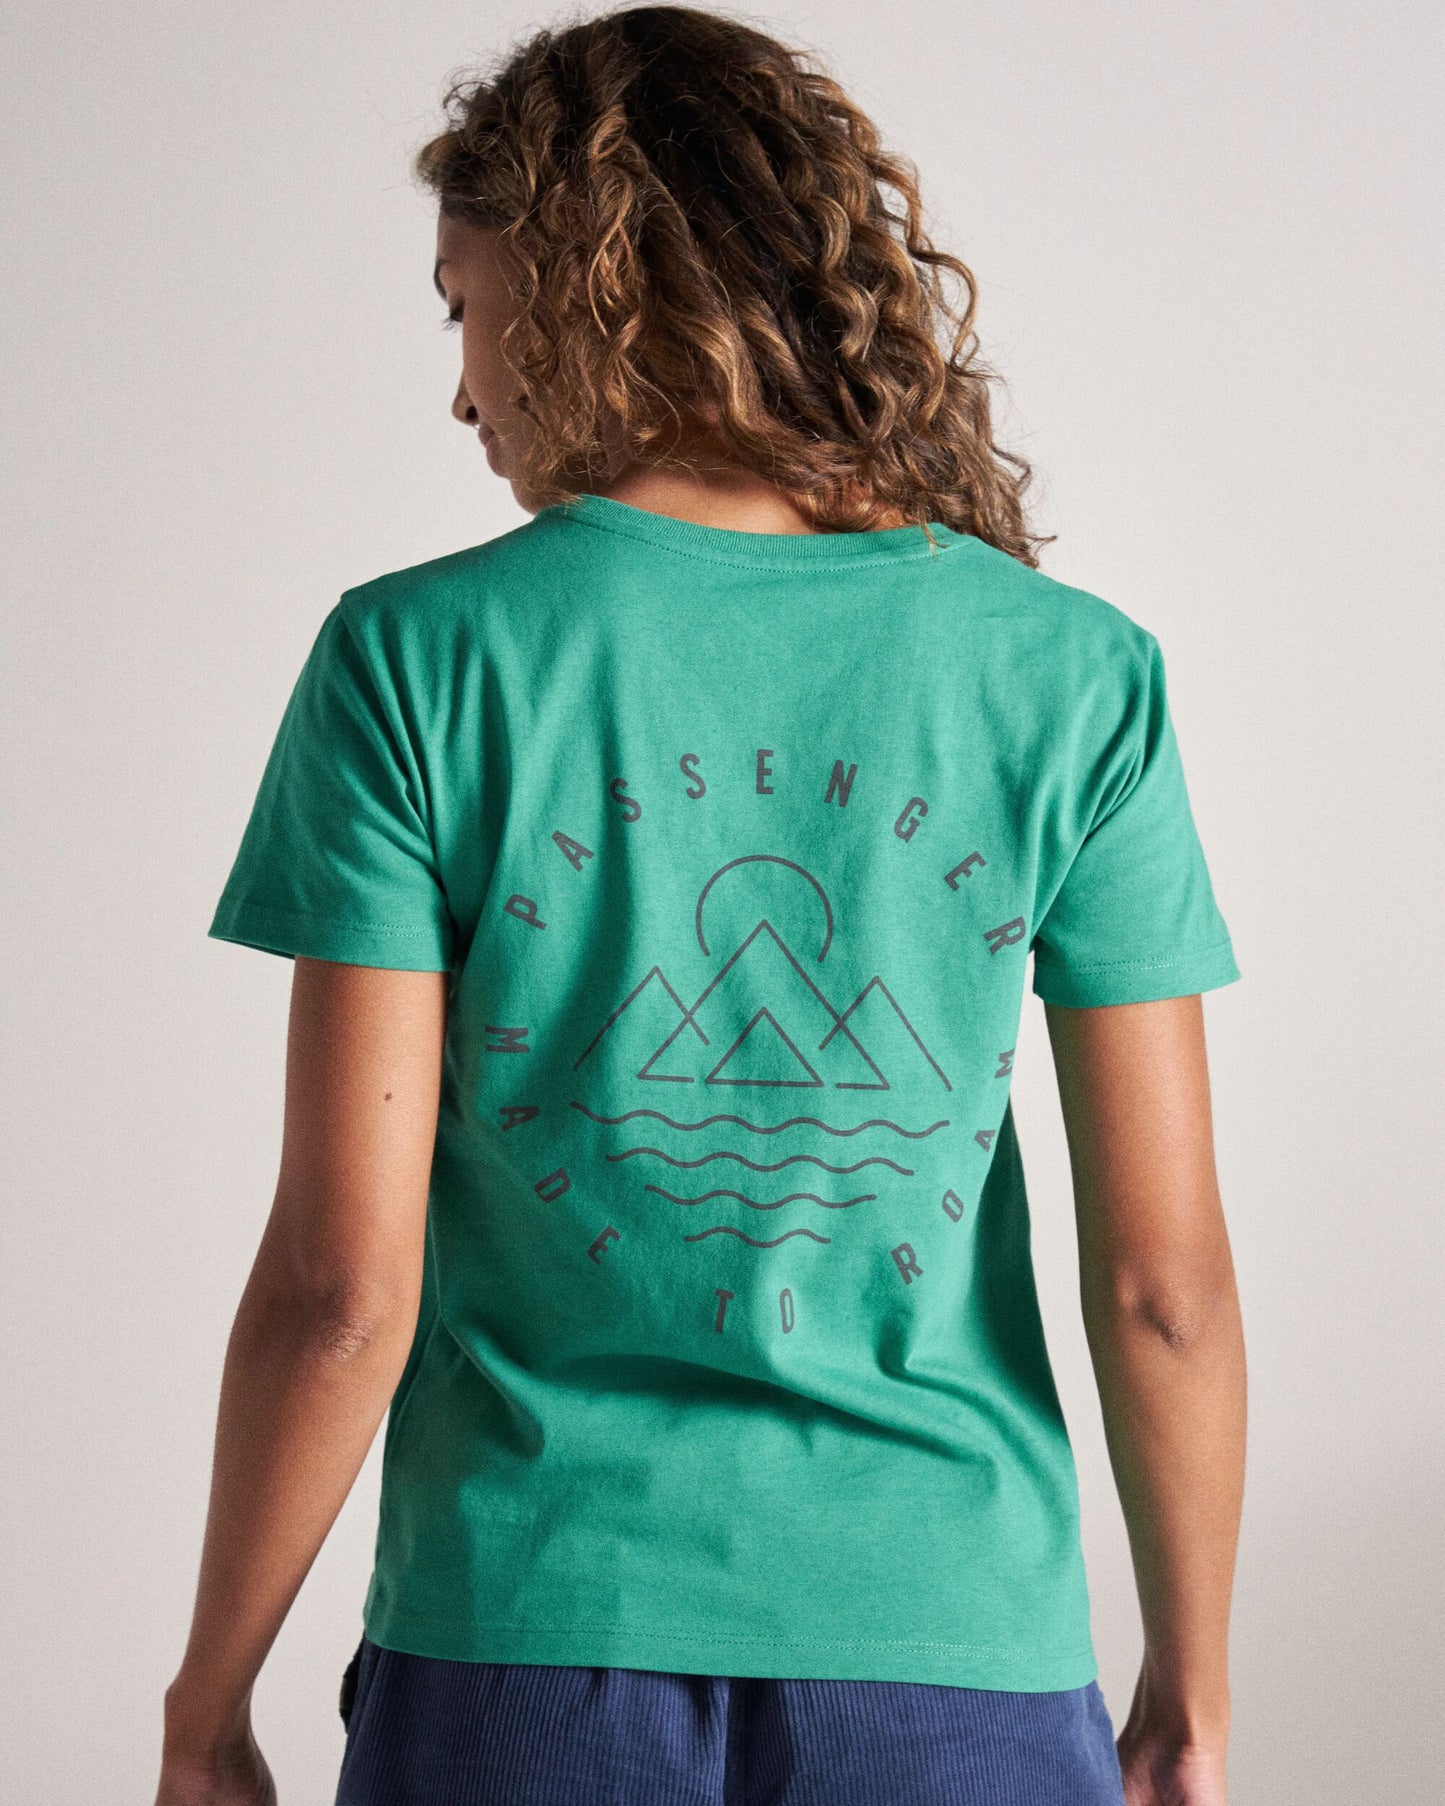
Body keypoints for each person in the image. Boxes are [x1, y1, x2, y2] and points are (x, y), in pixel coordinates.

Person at [155, 8, 1247, 1805]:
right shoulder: (1070, 676)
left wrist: (207, 1706)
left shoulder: (417, 659)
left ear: (577, 290)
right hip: (954, 1657)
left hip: (521, 1650)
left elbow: (340, 1289)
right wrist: (1187, 1702)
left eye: (460, 305)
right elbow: (1165, 1285)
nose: (461, 390)